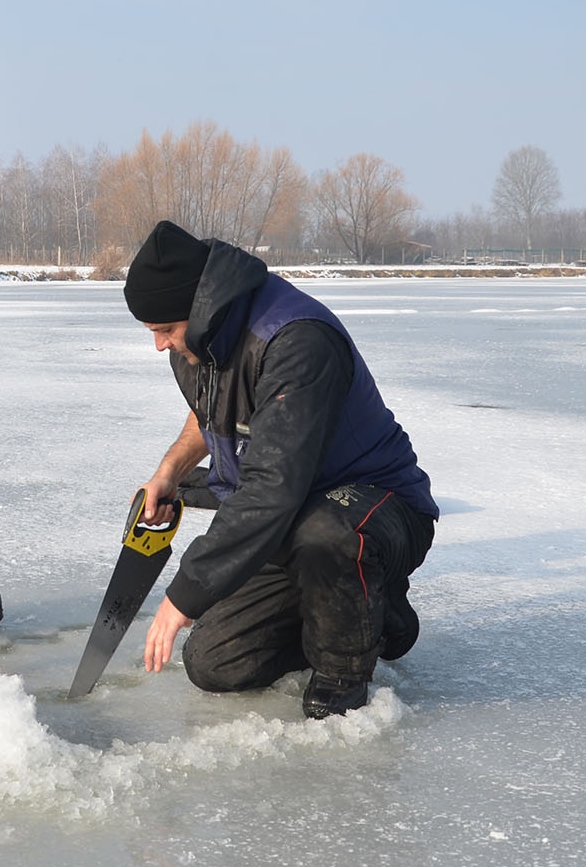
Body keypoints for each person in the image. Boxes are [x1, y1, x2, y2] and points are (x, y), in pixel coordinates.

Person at [120, 220, 438, 718]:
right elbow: (212, 412)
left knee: (326, 533)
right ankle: (356, 614)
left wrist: (182, 595)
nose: (159, 345)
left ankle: (345, 668)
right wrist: (172, 472)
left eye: (165, 330)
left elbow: (272, 487)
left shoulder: (296, 342)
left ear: (199, 309)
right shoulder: (201, 339)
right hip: (292, 516)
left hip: (374, 505)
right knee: (214, 663)